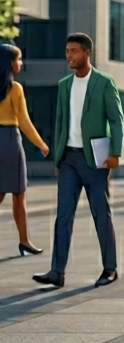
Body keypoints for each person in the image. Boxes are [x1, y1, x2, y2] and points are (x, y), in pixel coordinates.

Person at [33, 33, 124, 289]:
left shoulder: (104, 82)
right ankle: (57, 271)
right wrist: (59, 156)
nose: (69, 56)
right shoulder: (64, 85)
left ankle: (110, 267)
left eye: (74, 51)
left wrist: (115, 152)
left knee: (100, 213)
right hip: (69, 160)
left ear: (87, 53)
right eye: (67, 51)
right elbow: (61, 121)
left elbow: (117, 120)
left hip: (95, 160)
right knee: (63, 216)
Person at [0, 44, 50, 255]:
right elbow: (24, 122)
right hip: (10, 140)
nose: (21, 63)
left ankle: (25, 242)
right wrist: (42, 144)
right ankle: (24, 241)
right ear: (9, 63)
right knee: (19, 194)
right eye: (18, 59)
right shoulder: (15, 89)